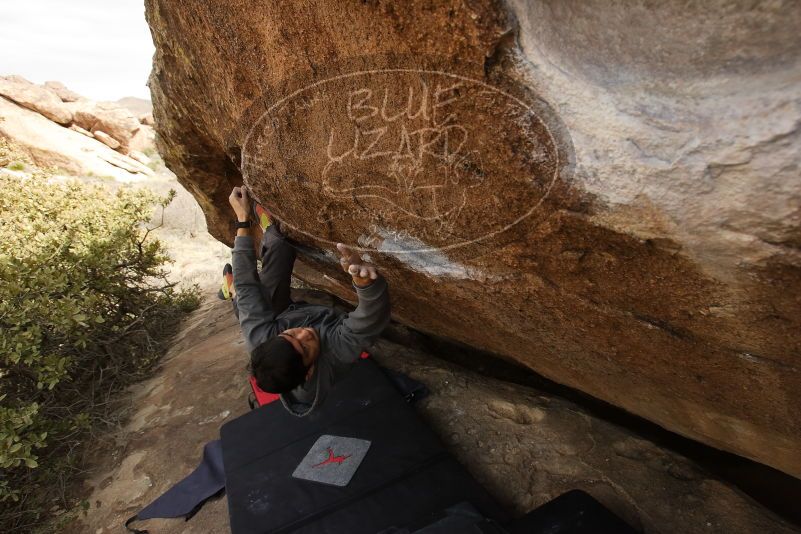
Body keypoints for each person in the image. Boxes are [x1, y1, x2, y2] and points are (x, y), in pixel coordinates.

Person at [221, 185, 391, 416]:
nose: (305, 333)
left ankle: (263, 244)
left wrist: (242, 219)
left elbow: (247, 285)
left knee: (253, 284)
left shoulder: (261, 340)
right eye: (305, 348)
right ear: (309, 372)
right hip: (296, 317)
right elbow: (368, 320)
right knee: (244, 301)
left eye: (290, 335)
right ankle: (231, 293)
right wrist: (364, 284)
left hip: (280, 313)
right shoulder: (336, 353)